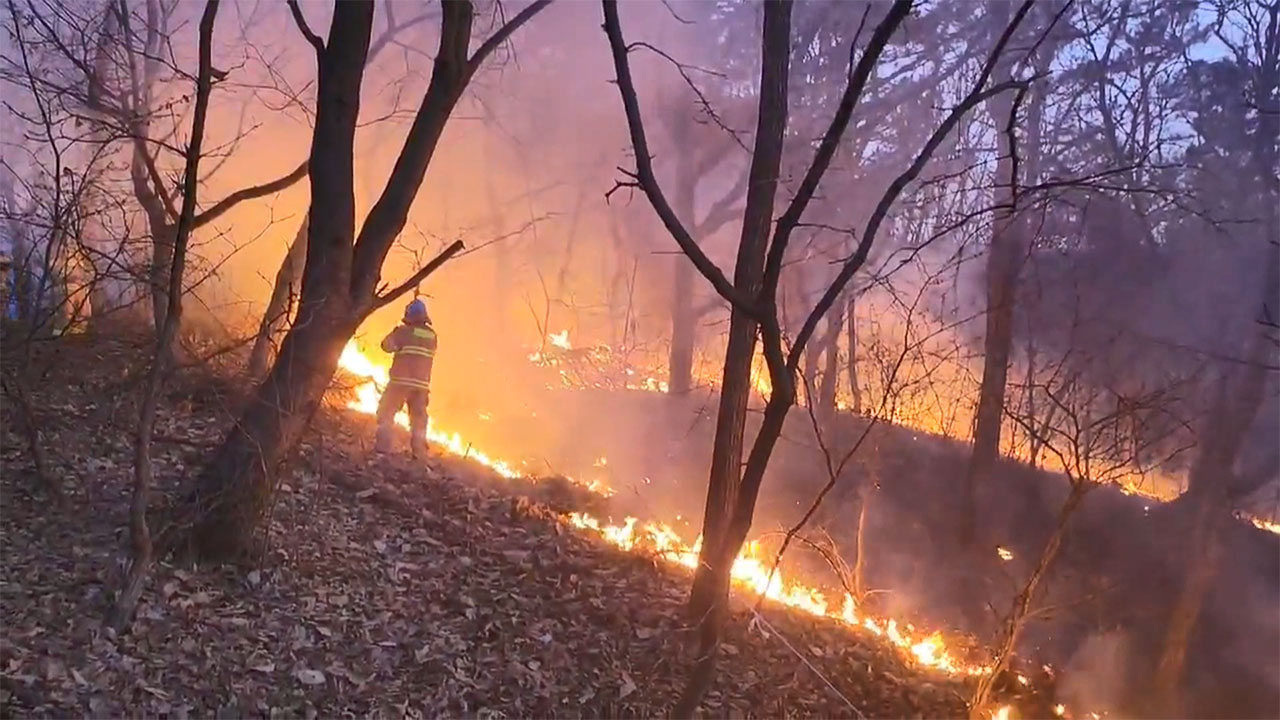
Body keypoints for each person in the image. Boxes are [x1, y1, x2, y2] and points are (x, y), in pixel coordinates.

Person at [374, 298, 437, 458]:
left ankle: (383, 449)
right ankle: (419, 454)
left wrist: (398, 336)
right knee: (418, 421)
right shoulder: (432, 336)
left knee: (386, 413)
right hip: (421, 387)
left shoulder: (403, 332)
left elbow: (386, 346)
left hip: (400, 383)